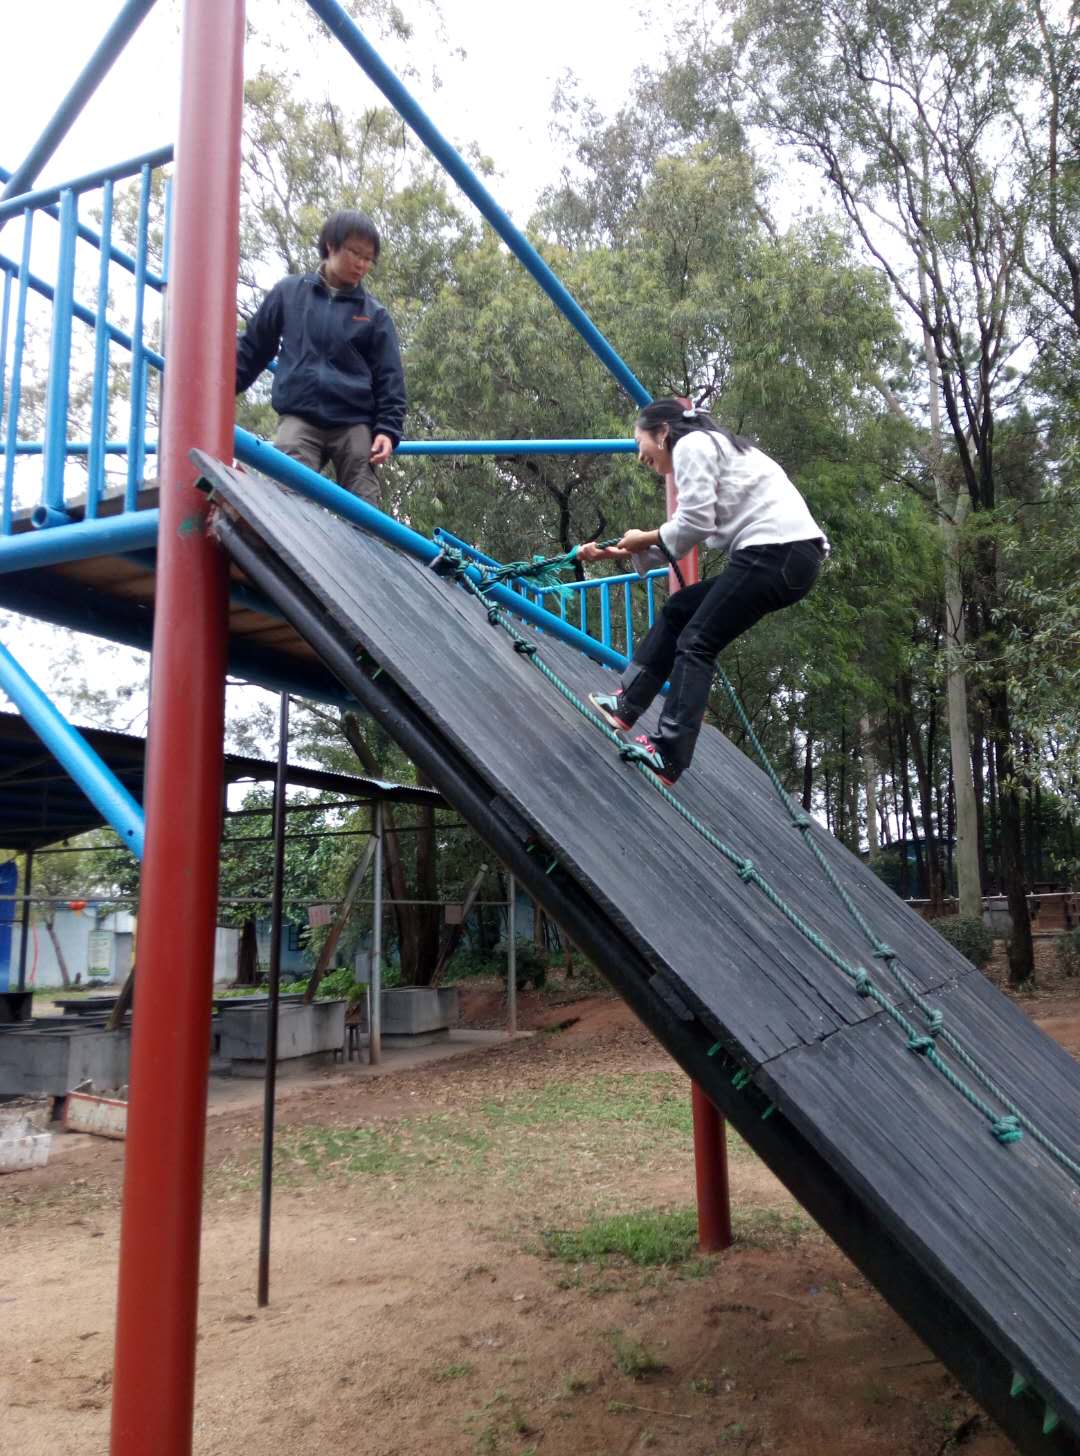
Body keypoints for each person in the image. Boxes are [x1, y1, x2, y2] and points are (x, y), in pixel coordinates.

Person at [578, 397, 828, 788]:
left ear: (663, 432)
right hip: (787, 558)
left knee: (696, 641)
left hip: (776, 551)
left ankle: (668, 753)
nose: (639, 455)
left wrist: (642, 536)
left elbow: (693, 523)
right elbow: (683, 534)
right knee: (680, 610)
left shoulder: (693, 444)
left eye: (640, 442)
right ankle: (627, 703)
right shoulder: (715, 449)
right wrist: (614, 552)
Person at [235, 209, 407, 506]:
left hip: (353, 421)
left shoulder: (374, 314)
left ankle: (364, 538)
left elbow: (390, 379)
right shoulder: (289, 293)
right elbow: (253, 348)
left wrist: (387, 431)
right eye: (356, 253)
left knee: (365, 502)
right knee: (285, 498)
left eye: (369, 259)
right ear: (331, 245)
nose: (362, 264)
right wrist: (219, 390)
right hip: (300, 414)